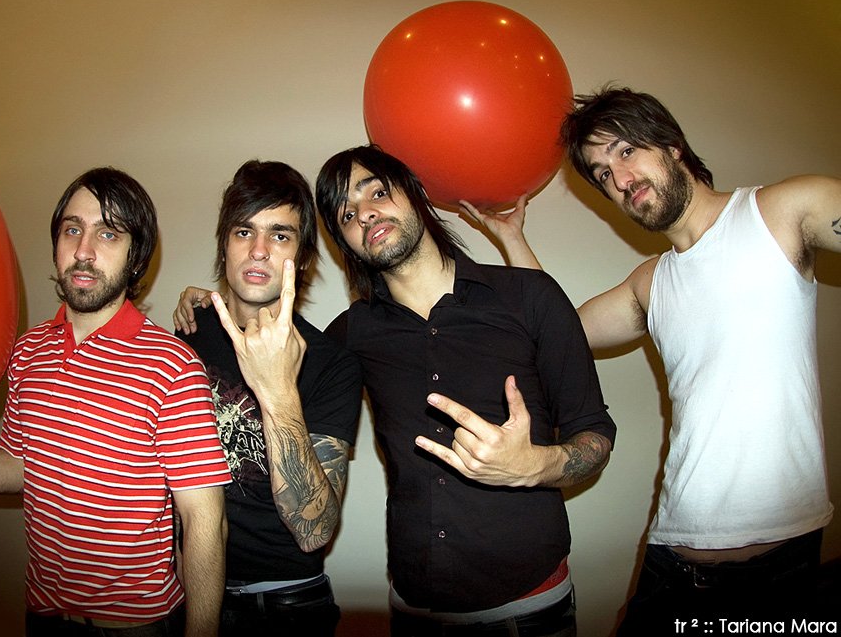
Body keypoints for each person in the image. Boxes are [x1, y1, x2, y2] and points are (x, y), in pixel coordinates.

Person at [463, 86, 841, 631]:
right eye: (602, 173)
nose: (619, 179)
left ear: (671, 145)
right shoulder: (651, 282)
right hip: (669, 554)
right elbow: (558, 332)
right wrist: (511, 238)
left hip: (775, 566)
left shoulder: (782, 212)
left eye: (625, 150)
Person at [0, 167, 232, 637]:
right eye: (72, 230)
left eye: (108, 234)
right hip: (44, 617)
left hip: (135, 625)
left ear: (135, 257)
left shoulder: (171, 364)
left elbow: (204, 519)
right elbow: (21, 463)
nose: (83, 251)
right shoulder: (27, 350)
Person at [314, 145, 617, 636]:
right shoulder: (351, 333)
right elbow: (281, 363)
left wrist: (534, 466)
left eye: (377, 192)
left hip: (531, 609)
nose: (364, 213)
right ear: (345, 242)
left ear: (415, 194)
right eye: (346, 214)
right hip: (413, 609)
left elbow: (596, 435)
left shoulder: (531, 297)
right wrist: (218, 308)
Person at [173, 160, 362, 636]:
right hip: (184, 595)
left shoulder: (332, 363)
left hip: (286, 607)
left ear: (303, 258)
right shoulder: (184, 340)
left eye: (279, 235)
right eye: (244, 231)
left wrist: (278, 392)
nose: (258, 250)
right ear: (224, 245)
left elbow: (314, 530)